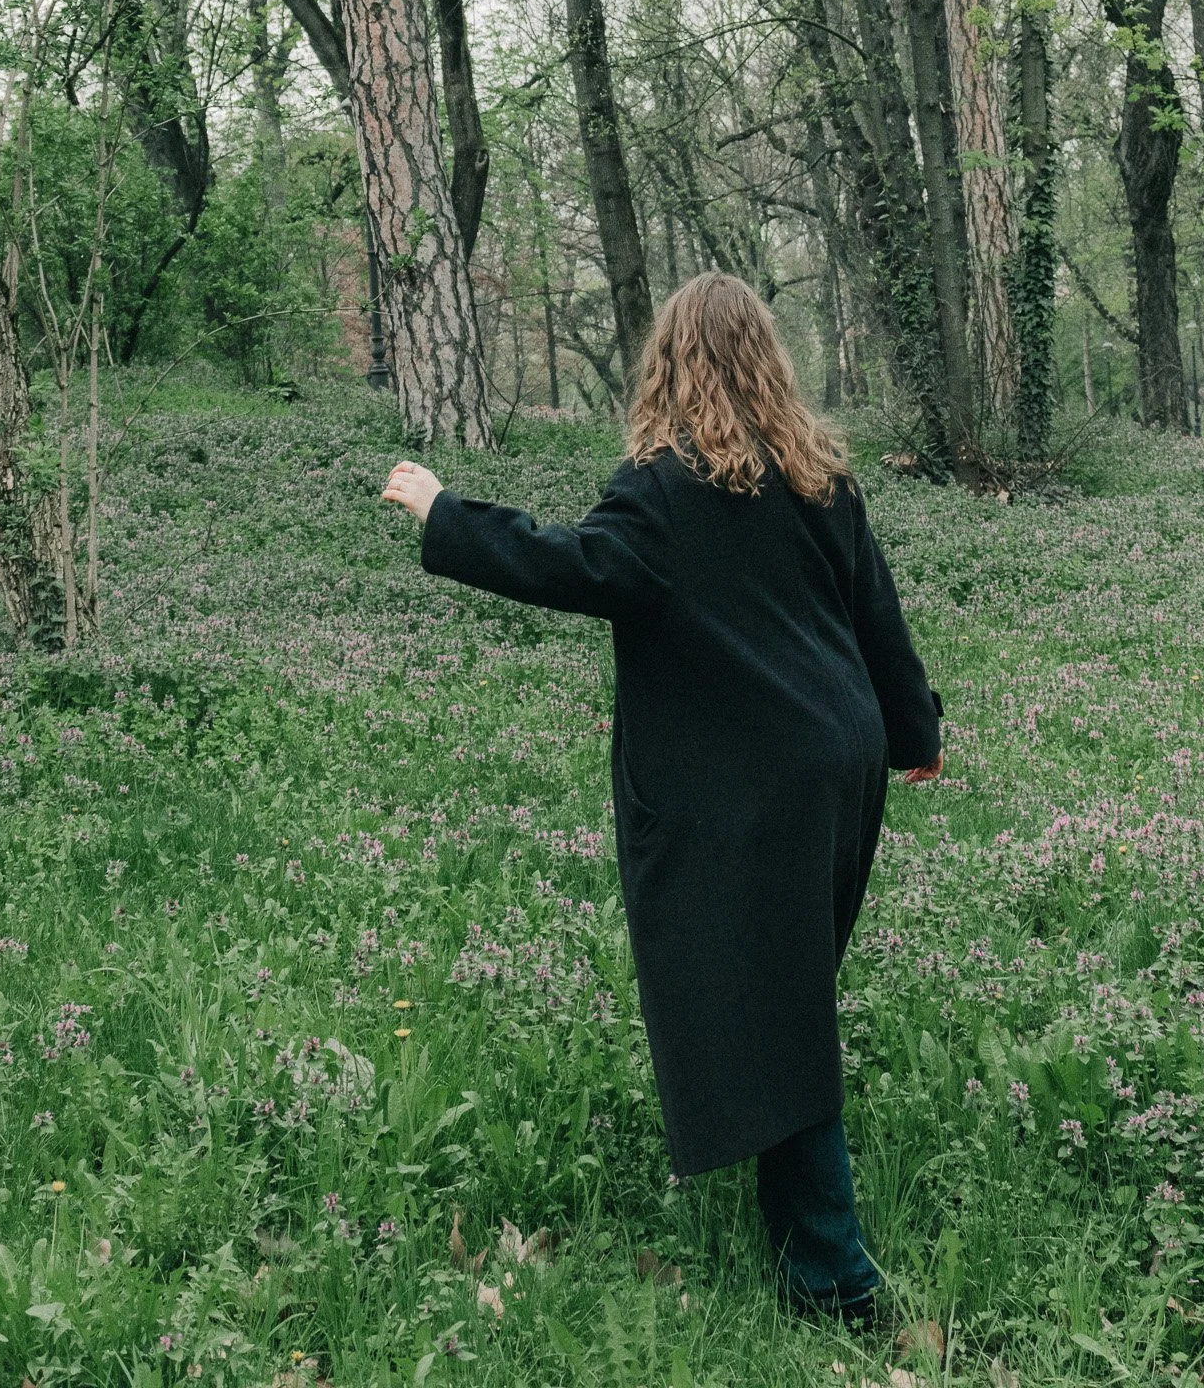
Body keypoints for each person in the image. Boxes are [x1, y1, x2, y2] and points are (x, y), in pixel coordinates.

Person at [382, 272, 943, 1327]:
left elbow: (573, 563)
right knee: (787, 994)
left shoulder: (664, 488)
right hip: (842, 763)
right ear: (765, 358)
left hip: (752, 789)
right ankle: (791, 1221)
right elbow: (879, 610)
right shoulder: (818, 475)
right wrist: (915, 730)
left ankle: (838, 1283)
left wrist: (444, 510)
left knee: (776, 1016)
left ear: (670, 363)